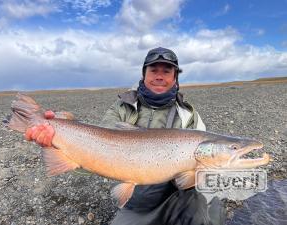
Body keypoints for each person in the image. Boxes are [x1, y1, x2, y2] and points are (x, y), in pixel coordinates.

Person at [25, 47, 226, 225]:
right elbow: (96, 155)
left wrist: (204, 174)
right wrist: (55, 143)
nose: (159, 76)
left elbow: (203, 175)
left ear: (175, 78)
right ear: (144, 74)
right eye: (154, 70)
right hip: (136, 203)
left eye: (167, 71)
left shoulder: (189, 116)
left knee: (201, 215)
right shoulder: (121, 108)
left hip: (179, 198)